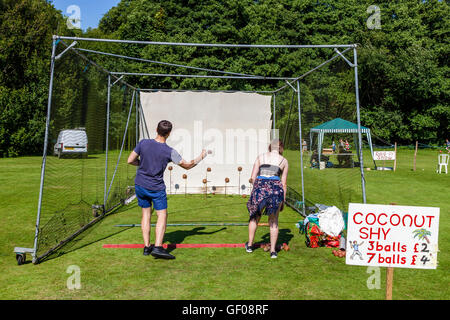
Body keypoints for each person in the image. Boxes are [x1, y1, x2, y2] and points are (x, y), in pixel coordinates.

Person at [128, 120, 208, 260]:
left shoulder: (143, 143)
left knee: (146, 214)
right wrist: (201, 156)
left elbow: (130, 160)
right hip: (156, 188)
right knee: (162, 216)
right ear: (169, 133)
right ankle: (158, 247)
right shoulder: (169, 151)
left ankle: (147, 247)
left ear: (156, 129)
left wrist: (142, 164)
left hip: (140, 185)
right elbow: (187, 166)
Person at [245, 139, 288, 259]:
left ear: (270, 146)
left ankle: (249, 245)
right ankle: (273, 251)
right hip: (276, 190)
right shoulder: (284, 161)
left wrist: (256, 189)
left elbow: (252, 178)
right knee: (274, 221)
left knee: (254, 217)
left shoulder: (260, 157)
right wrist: (283, 200)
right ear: (280, 148)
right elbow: (284, 184)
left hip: (260, 188)